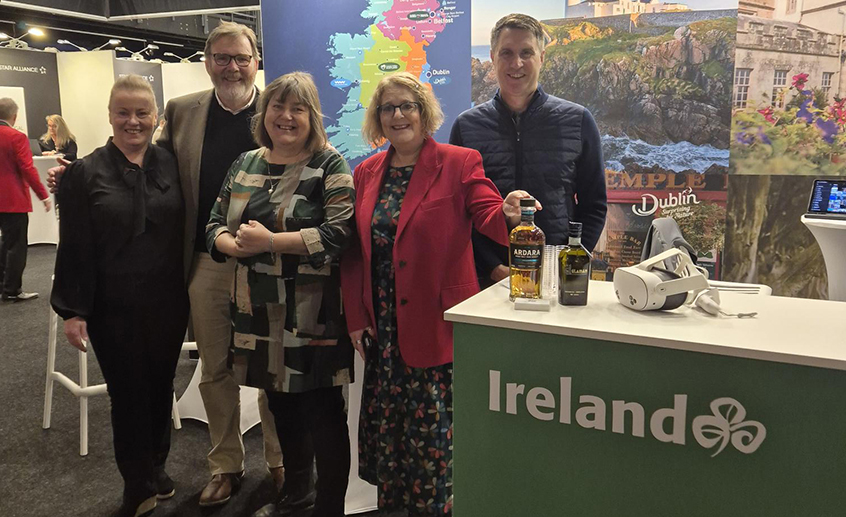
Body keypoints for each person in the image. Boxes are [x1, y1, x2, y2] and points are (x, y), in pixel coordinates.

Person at [48, 21, 287, 507]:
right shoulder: (182, 111)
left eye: (241, 57)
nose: (232, 67)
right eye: (221, 57)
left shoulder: (279, 109)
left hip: (270, 262)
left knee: (271, 370)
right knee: (213, 370)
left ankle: (281, 464)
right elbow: (131, 160)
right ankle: (225, 466)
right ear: (207, 62)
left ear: (256, 61)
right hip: (205, 262)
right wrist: (74, 175)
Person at [340, 72, 535, 516]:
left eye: (407, 105)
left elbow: (488, 216)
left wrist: (509, 213)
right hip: (384, 330)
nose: (398, 115)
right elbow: (353, 252)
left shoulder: (459, 162)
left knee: (432, 443)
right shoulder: (366, 173)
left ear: (423, 112)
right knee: (391, 443)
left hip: (435, 325)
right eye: (388, 108)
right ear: (377, 118)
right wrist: (356, 316)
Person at [206, 71, 354, 517]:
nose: (286, 117)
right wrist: (231, 244)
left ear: (312, 117)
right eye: (278, 106)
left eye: (298, 109)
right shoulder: (246, 162)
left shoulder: (329, 164)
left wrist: (269, 242)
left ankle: (329, 507)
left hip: (313, 316)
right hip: (257, 313)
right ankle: (296, 495)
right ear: (264, 112)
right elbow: (214, 222)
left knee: (323, 413)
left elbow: (339, 234)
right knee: (281, 407)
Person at [51, 75, 189, 517]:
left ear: (156, 116)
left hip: (168, 300)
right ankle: (137, 482)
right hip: (112, 306)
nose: (133, 121)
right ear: (110, 115)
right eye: (123, 112)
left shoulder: (173, 164)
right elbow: (74, 245)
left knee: (161, 384)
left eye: (142, 113)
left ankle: (157, 466)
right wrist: (73, 311)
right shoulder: (84, 173)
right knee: (127, 392)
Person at [449, 13, 607, 288]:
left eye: (526, 53)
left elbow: (594, 205)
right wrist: (491, 267)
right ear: (492, 57)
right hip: (486, 282)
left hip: (556, 279)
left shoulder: (578, 120)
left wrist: (567, 263)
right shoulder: (466, 126)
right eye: (507, 53)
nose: (516, 63)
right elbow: (458, 209)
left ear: (542, 57)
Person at [0, 97, 51, 302]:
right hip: (13, 200)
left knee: (4, 242)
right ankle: (12, 289)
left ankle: (2, 284)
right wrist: (43, 195)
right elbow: (27, 168)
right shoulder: (16, 137)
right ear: (14, 116)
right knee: (16, 245)